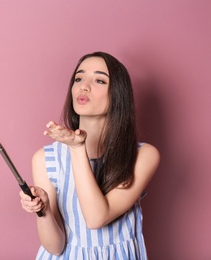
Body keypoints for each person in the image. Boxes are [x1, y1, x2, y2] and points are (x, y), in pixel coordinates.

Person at [20, 51, 160, 259]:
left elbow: (96, 218)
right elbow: (55, 247)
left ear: (118, 94)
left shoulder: (142, 155)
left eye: (99, 80)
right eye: (79, 78)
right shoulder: (45, 158)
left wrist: (77, 149)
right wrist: (45, 210)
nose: (83, 86)